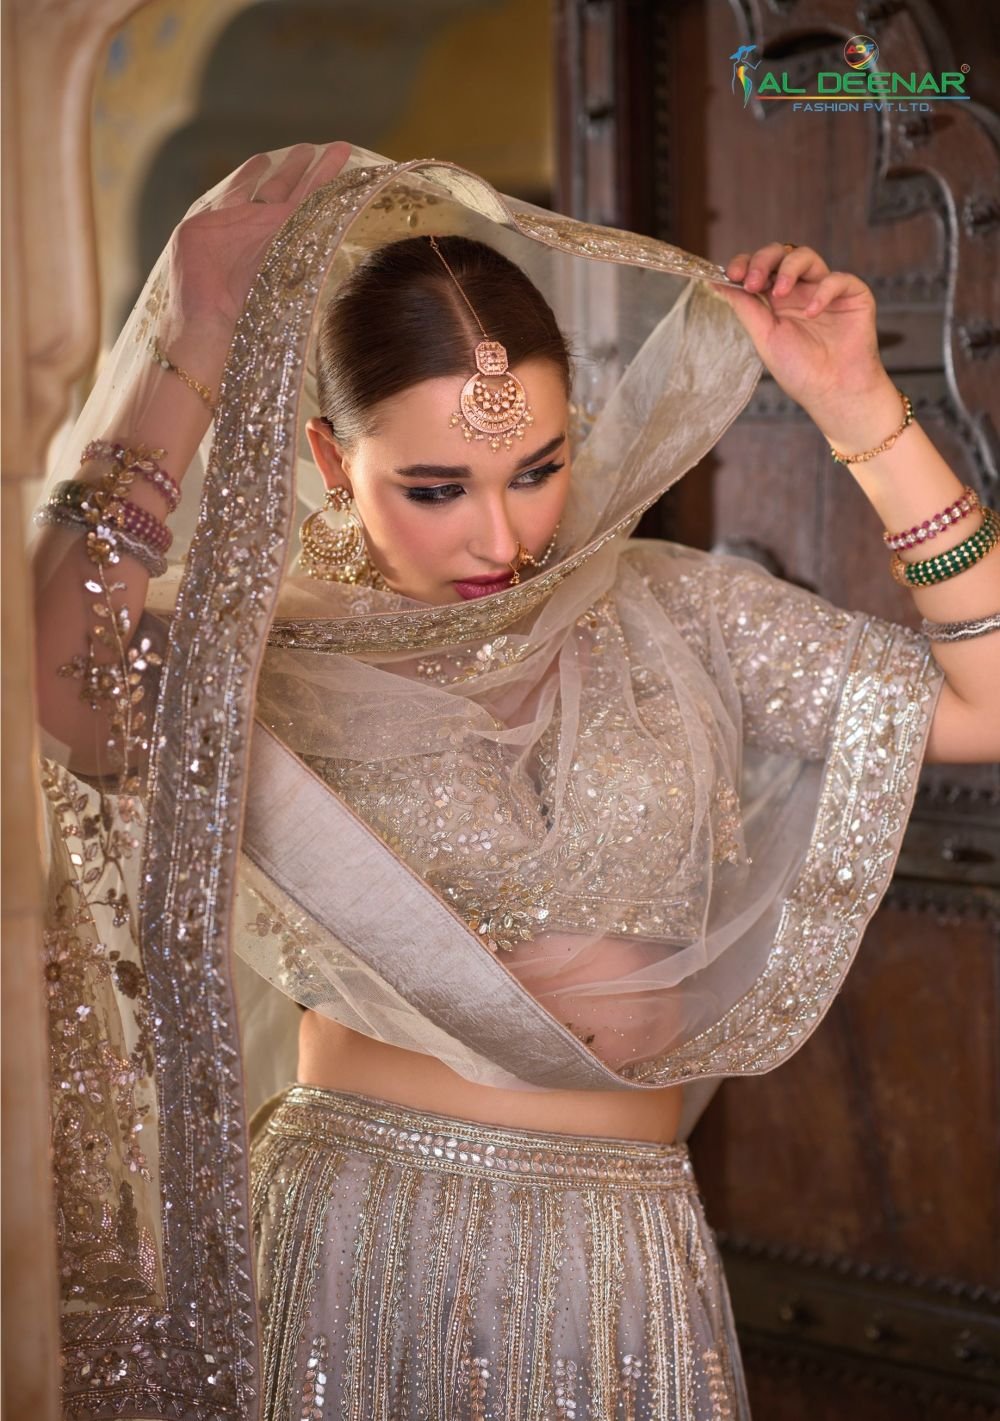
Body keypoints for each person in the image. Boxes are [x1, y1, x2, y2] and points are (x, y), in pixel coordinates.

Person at [30, 142, 999, 1420]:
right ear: (329, 457)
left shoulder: (677, 613)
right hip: (363, 1231)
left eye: (538, 468)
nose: (502, 534)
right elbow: (54, 679)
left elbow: (989, 702)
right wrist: (196, 344)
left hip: (620, 1248)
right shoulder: (264, 654)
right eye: (437, 488)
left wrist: (861, 412)